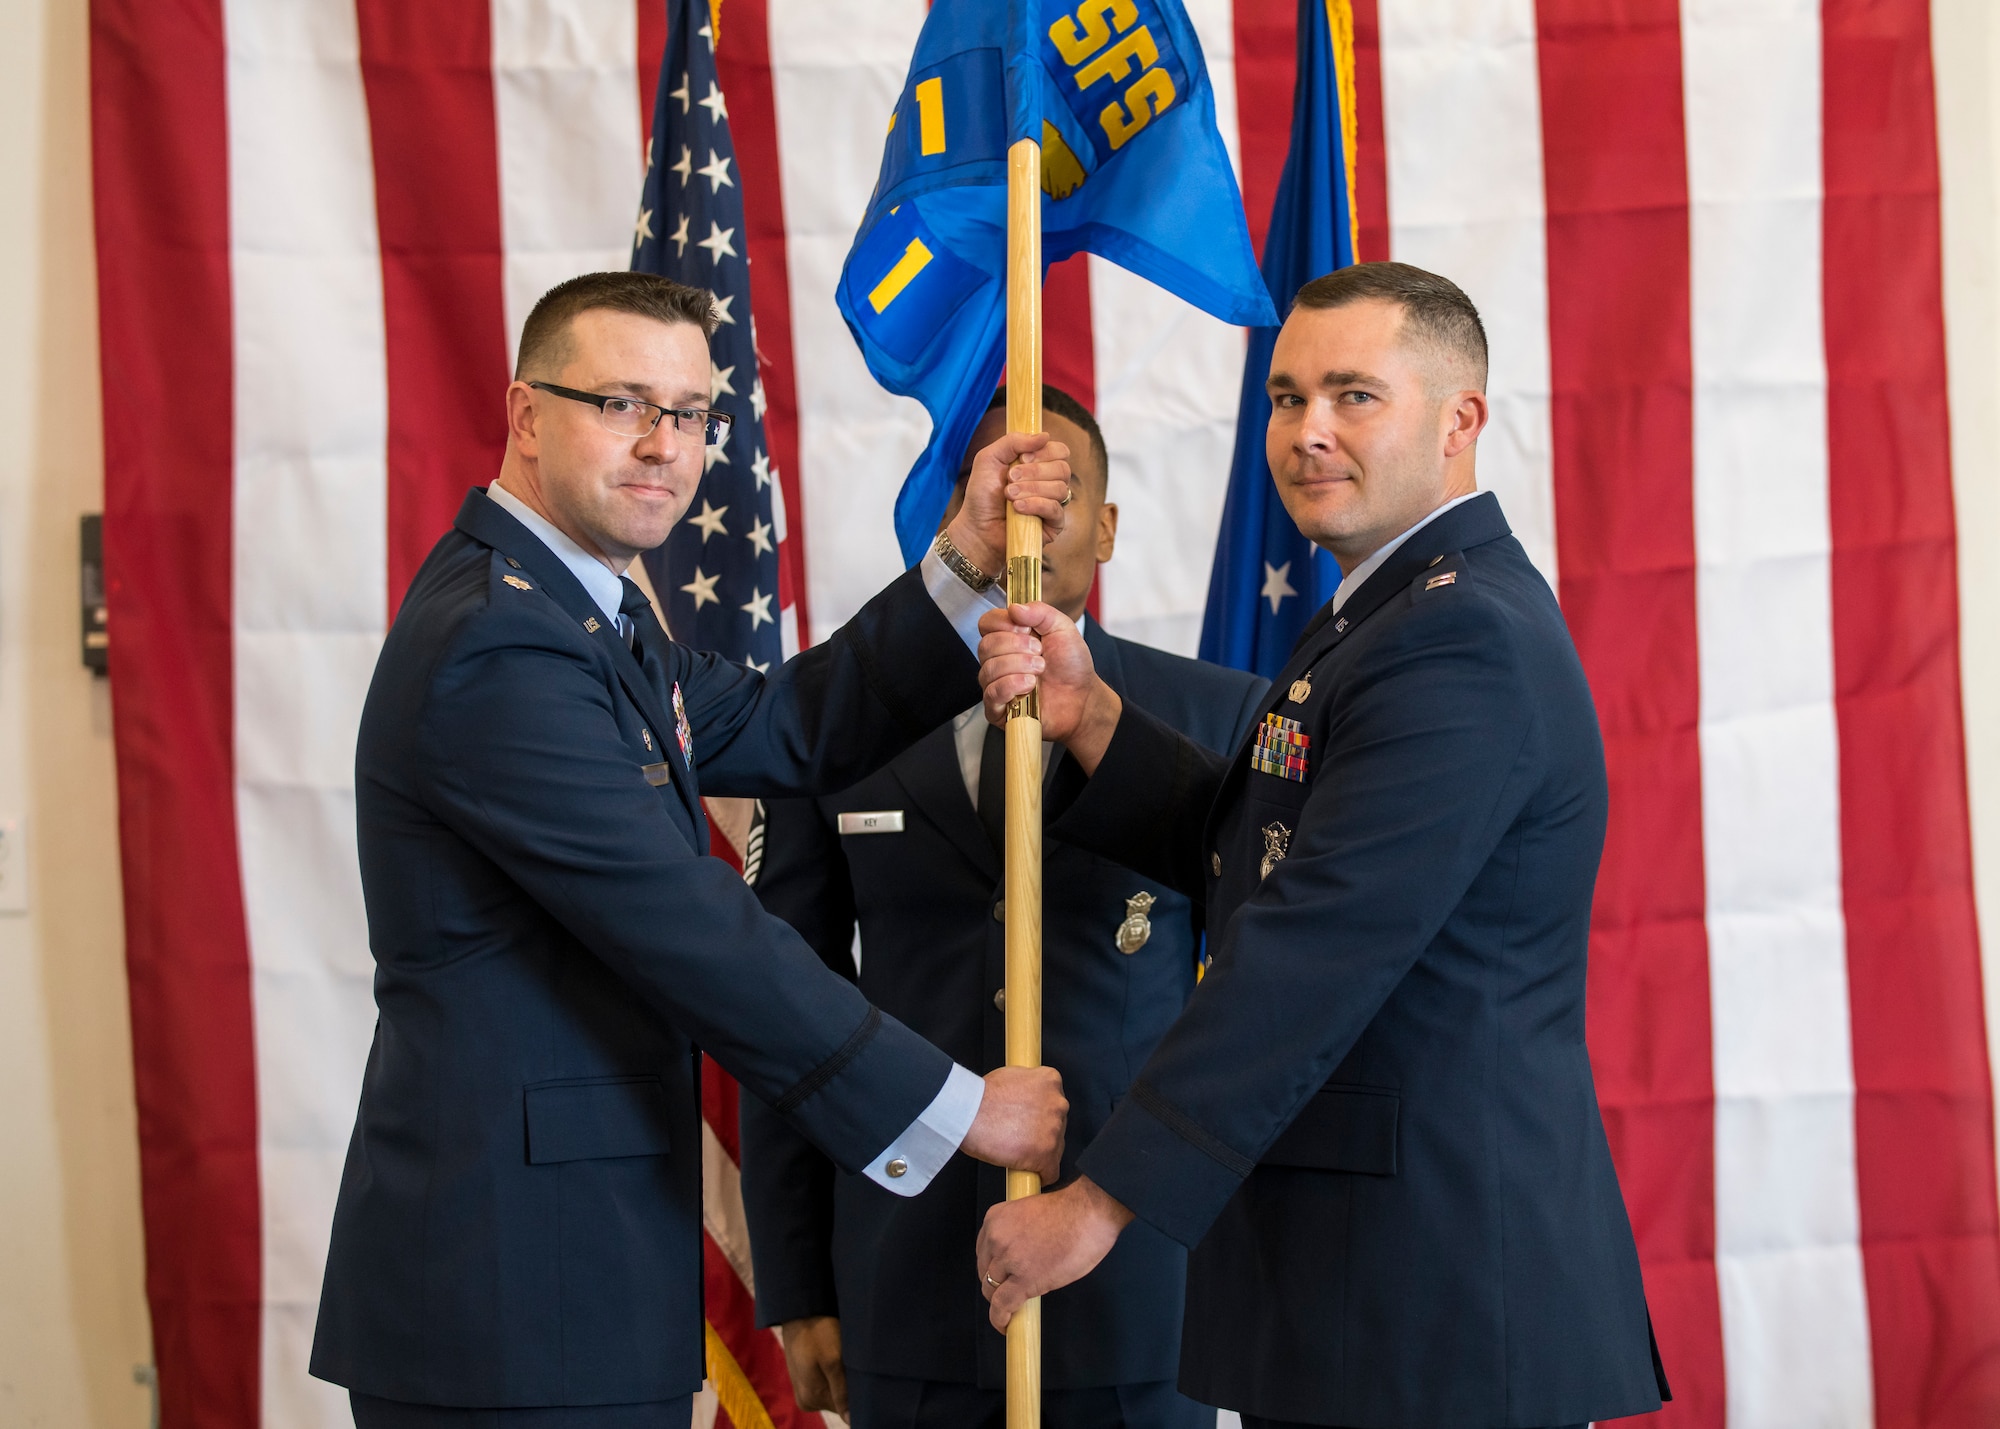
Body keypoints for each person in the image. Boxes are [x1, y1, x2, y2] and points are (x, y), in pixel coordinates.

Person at [308, 271, 1073, 1428]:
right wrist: (956, 1109)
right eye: (621, 404)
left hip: (570, 1274)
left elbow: (793, 725)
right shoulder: (498, 646)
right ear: (524, 415)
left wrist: (964, 552)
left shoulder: (583, 617)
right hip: (512, 1295)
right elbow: (695, 930)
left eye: (690, 413)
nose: (665, 445)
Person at [971, 263, 1673, 1429]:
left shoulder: (1457, 638)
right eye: (1287, 397)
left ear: (1459, 420)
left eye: (1353, 395)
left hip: (1431, 1294)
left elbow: (1312, 947)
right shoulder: (1391, 614)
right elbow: (1273, 850)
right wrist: (1092, 717)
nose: (1308, 432)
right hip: (1370, 1286)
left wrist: (1096, 1202)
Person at [738, 386, 1268, 1429]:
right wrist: (799, 1288)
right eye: (1004, 486)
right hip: (901, 1290)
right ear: (957, 515)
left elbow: (1265, 1006)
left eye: (1059, 487)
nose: (1031, 515)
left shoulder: (1218, 716)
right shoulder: (837, 723)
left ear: (1108, 525)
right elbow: (778, 1006)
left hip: (1137, 1292)